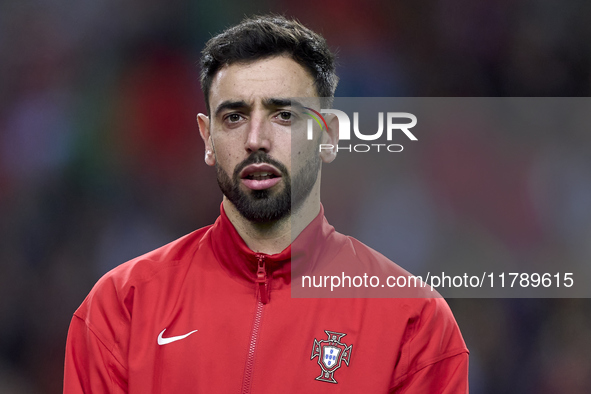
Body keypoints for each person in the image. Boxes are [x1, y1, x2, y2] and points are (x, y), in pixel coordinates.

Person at [64, 15, 469, 393]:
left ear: (328, 136)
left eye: (283, 115)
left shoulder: (414, 321)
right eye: (234, 117)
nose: (256, 139)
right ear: (207, 138)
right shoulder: (121, 308)